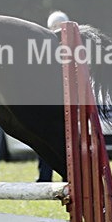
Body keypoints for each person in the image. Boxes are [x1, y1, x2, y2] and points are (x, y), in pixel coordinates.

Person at [37, 10, 70, 182]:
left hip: (66, 104)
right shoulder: (43, 47)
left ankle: (68, 177)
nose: (57, 29)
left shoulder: (73, 48)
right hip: (47, 102)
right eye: (54, 26)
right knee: (44, 142)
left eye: (60, 26)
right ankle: (44, 178)